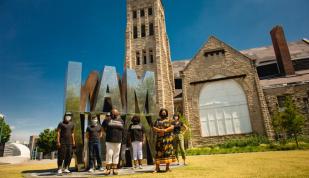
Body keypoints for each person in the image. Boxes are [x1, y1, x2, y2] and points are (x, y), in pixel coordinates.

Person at [101, 109, 124, 175]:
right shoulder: (107, 120)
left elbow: (122, 130)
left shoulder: (121, 120)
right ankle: (108, 169)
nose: (118, 114)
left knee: (116, 154)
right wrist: (106, 134)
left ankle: (115, 169)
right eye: (117, 113)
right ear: (113, 113)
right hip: (109, 140)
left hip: (118, 140)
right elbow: (102, 128)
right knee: (109, 154)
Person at [153, 108, 175, 173]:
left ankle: (167, 168)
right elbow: (154, 127)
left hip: (168, 139)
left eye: (164, 112)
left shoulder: (169, 120)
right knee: (158, 153)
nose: (163, 113)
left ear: (166, 113)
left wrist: (165, 130)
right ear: (160, 113)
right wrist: (160, 130)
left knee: (167, 153)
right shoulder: (157, 120)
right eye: (162, 112)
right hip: (159, 139)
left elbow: (172, 127)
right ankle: (157, 168)